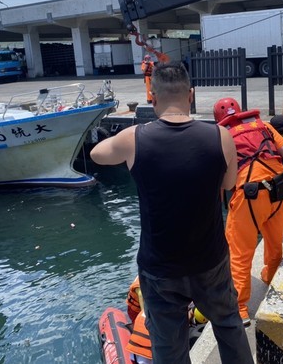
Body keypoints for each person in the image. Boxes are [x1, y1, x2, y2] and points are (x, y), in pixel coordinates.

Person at [90, 63, 253, 364]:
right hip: (210, 259)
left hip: (160, 267)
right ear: (190, 95)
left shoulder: (134, 139)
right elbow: (229, 184)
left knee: (168, 348)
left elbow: (96, 154)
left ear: (152, 98)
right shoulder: (220, 136)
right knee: (229, 325)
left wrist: (128, 148)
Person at [214, 98, 283, 324]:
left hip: (250, 195)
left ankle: (240, 307)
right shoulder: (264, 125)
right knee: (274, 242)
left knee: (239, 253)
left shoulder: (222, 136)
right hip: (279, 191)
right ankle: (271, 276)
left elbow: (219, 175)